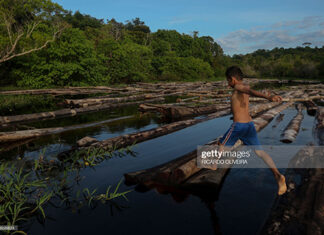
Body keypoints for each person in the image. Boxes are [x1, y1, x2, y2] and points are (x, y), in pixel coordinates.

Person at [215, 66, 287, 195]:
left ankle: (214, 167)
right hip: (249, 125)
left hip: (239, 127)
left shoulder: (238, 87)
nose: (228, 84)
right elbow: (244, 98)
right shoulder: (241, 88)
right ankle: (278, 175)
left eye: (228, 81)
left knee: (221, 144)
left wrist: (268, 98)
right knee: (260, 152)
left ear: (232, 79)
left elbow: (249, 90)